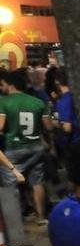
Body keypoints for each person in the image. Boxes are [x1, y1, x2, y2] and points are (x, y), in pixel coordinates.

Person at [0, 68, 50, 223]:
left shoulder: (3, 102)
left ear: (10, 84)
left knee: (10, 186)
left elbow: (0, 127)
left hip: (13, 149)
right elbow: (48, 127)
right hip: (35, 146)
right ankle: (41, 217)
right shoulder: (37, 102)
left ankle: (16, 222)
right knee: (37, 182)